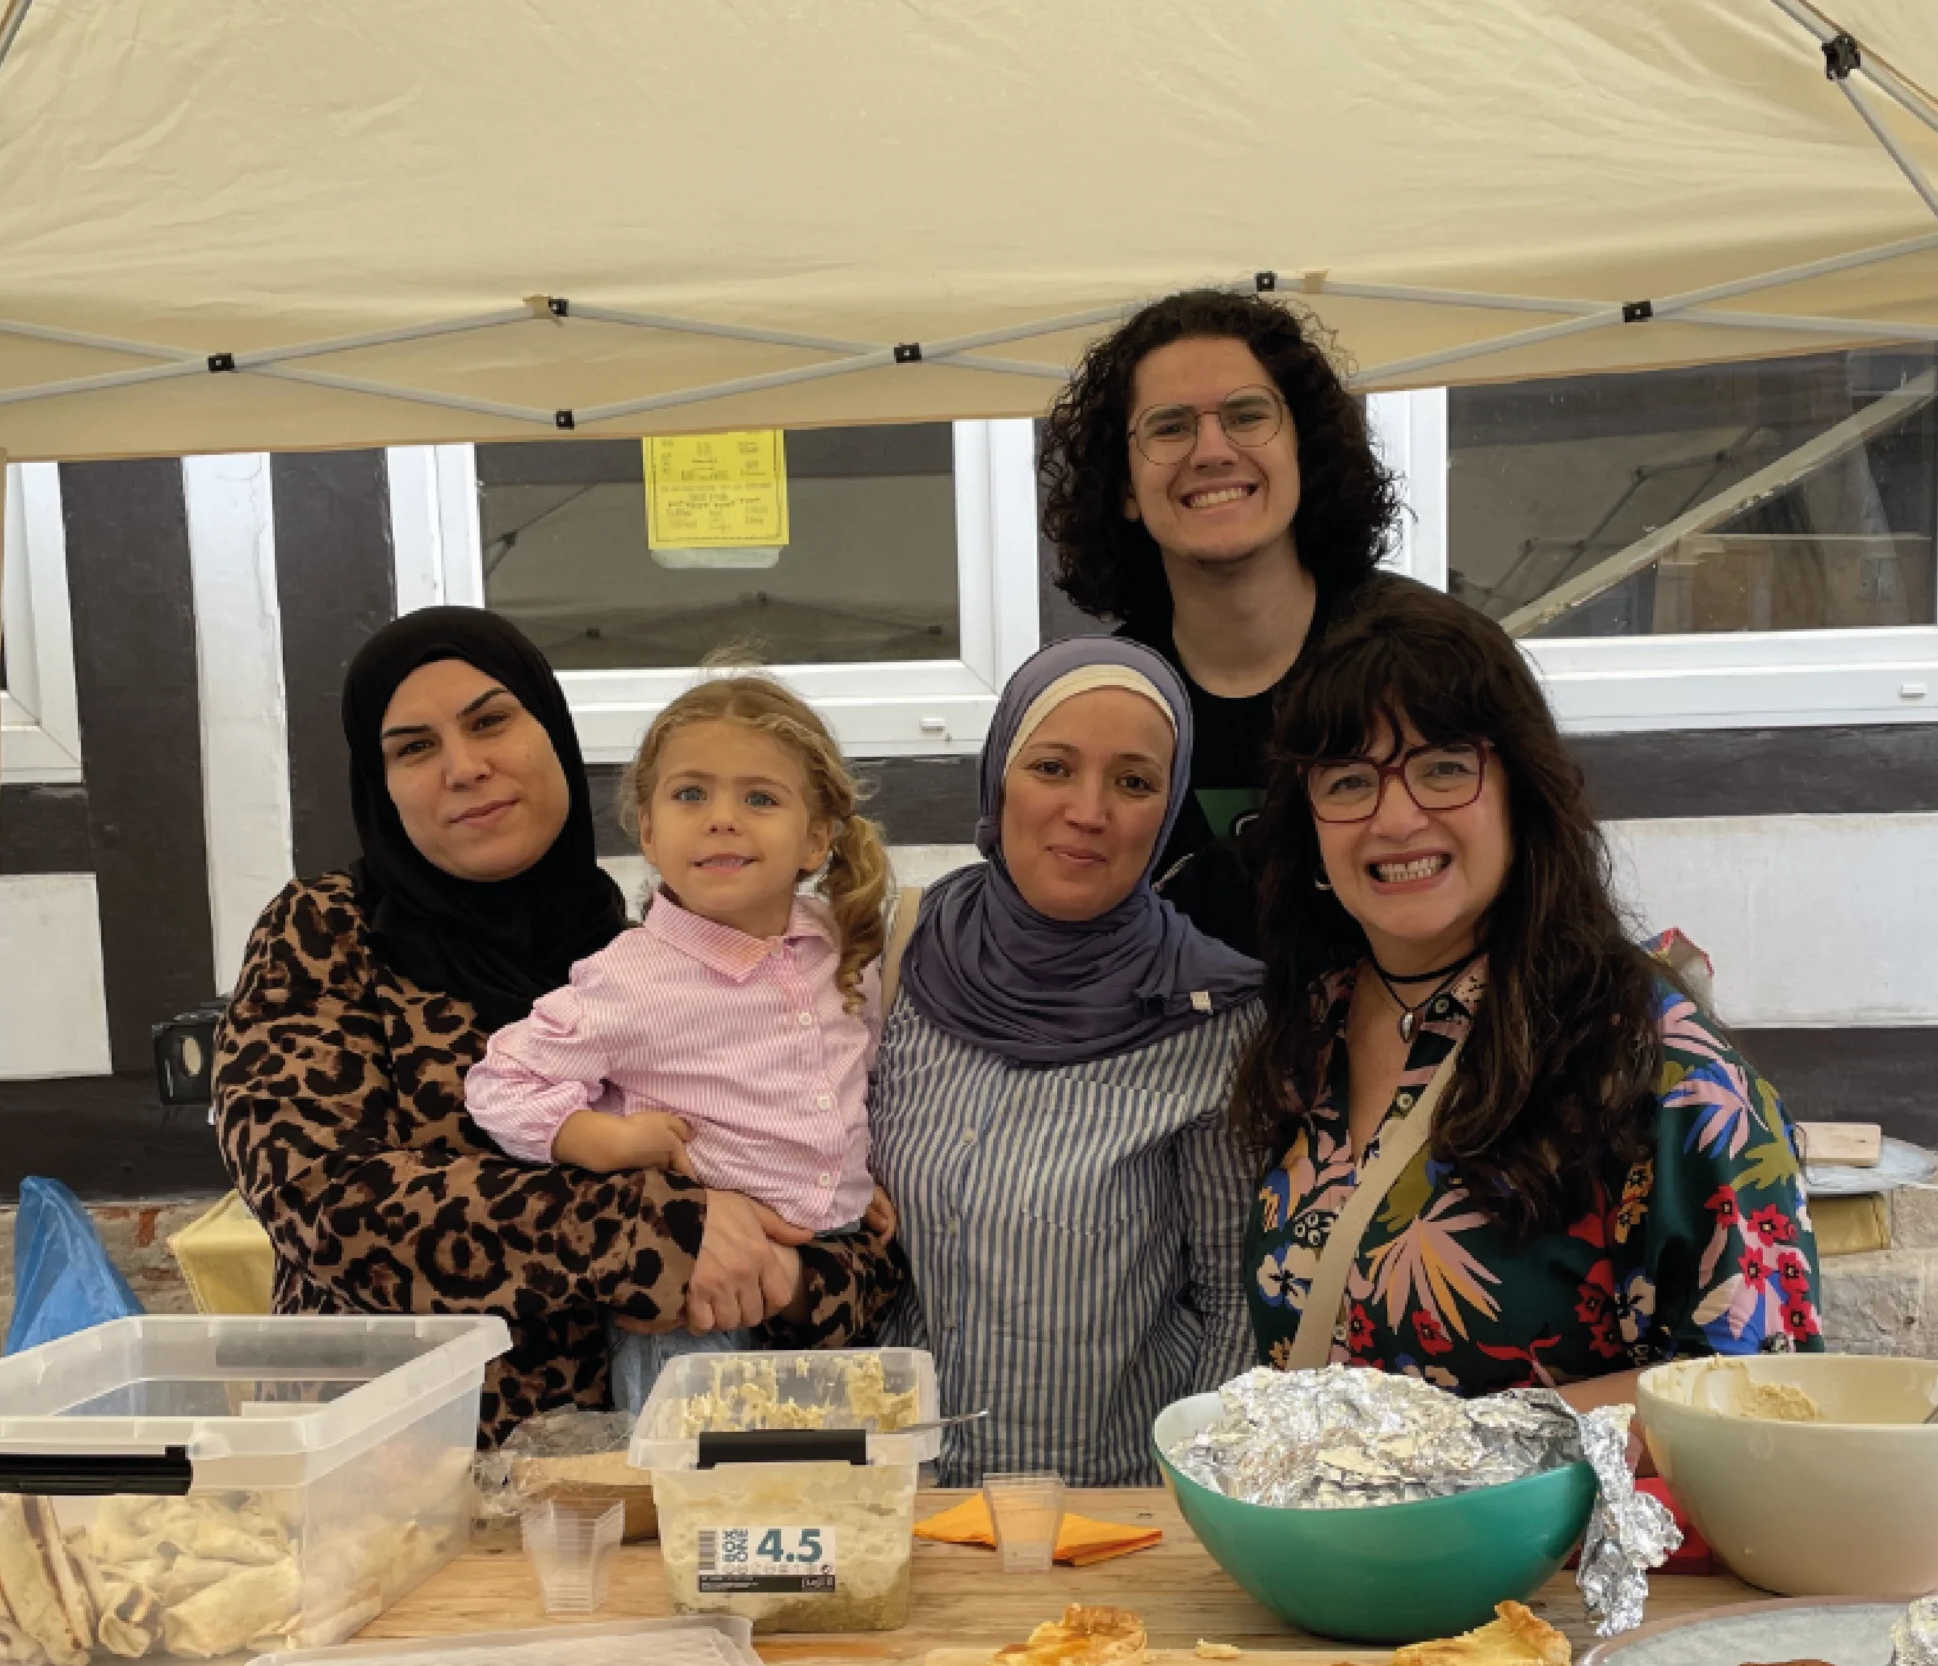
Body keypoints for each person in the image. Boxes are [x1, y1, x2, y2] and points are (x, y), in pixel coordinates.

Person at [212, 609, 903, 1443]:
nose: (465, 767)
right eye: (415, 747)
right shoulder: (327, 931)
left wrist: (785, 1272)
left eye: (491, 721)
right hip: (398, 1465)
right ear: (380, 783)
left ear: (553, 735)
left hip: (637, 1479)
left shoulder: (655, 944)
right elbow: (324, 1202)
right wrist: (661, 1233)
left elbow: (855, 1253)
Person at [1233, 579, 1823, 1405]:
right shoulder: (1312, 1029)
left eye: (1443, 769)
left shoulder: (1659, 1064)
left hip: (1570, 1539)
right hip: (1322, 1532)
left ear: (1523, 794)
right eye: (1347, 781)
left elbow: (1770, 1387)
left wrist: (1469, 1452)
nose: (1395, 818)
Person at [870, 640, 1265, 1487]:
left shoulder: (1209, 1019)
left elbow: (1238, 1310)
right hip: (906, 1512)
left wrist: (1195, 1514)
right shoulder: (905, 956)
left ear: (1166, 809)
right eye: (1052, 767)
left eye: (1133, 782)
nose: (1089, 811)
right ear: (998, 779)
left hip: (1108, 1520)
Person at [465, 671, 897, 1423]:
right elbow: (503, 1079)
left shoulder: (836, 941)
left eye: (760, 798)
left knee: (828, 1493)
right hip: (695, 1307)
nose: (722, 819)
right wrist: (607, 1139)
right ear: (650, 830)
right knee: (697, 1492)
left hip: (832, 1277)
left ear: (817, 837)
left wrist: (855, 1176)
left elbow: (851, 1074)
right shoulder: (629, 979)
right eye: (691, 794)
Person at [1036, 286, 1404, 955]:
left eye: (1246, 414)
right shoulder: (1112, 700)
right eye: (1170, 426)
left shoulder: (1422, 659)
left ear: (1304, 451)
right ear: (1124, 485)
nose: (1211, 451)